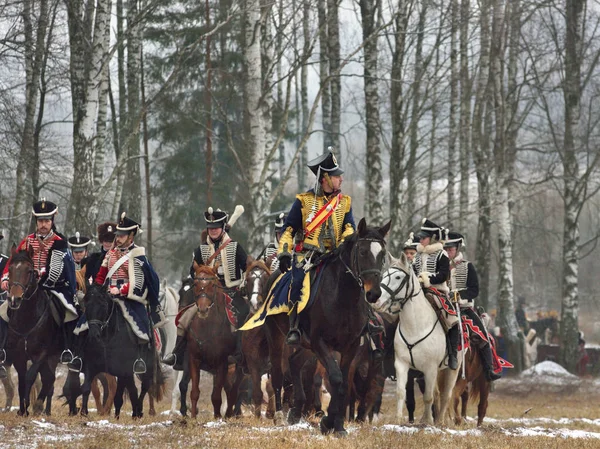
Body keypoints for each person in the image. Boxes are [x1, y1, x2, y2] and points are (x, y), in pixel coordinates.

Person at [277, 149, 357, 346]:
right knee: (297, 283)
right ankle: (295, 326)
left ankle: (366, 324)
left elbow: (349, 228)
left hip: (335, 255)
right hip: (308, 257)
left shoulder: (344, 202)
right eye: (337, 177)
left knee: (358, 279)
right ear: (326, 179)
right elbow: (288, 229)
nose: (341, 180)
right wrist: (284, 253)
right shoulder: (304, 201)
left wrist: (346, 242)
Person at [74, 212, 164, 374]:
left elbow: (137, 282)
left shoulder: (137, 255)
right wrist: (97, 289)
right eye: (118, 235)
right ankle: (79, 356)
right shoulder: (111, 253)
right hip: (107, 296)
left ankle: (140, 359)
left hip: (129, 297)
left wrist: (120, 290)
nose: (119, 238)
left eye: (122, 235)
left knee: (141, 324)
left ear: (131, 236)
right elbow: (101, 275)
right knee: (85, 321)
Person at [163, 207, 251, 369]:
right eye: (210, 228)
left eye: (216, 228)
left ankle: (240, 352)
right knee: (185, 317)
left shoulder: (235, 247)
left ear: (223, 227)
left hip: (231, 290)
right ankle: (178, 353)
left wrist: (244, 282)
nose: (213, 231)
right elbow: (192, 271)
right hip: (207, 291)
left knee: (244, 311)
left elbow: (247, 267)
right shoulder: (201, 250)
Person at [0, 199, 78, 378]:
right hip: (25, 289)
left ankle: (67, 349)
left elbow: (67, 271)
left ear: (52, 222)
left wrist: (70, 291)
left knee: (68, 313)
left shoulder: (59, 242)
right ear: (36, 222)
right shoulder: (27, 241)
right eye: (40, 221)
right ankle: (3, 352)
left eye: (47, 221)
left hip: (53, 288)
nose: (43, 225)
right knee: (3, 312)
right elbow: (12, 265)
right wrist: (5, 279)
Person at [445, 231, 501, 381]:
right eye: (445, 249)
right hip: (443, 308)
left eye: (450, 249)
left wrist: (458, 295)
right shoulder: (440, 266)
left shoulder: (467, 267)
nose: (447, 252)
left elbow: (474, 290)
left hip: (463, 309)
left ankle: (489, 370)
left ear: (457, 249)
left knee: (483, 335)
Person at [412, 218, 460, 370]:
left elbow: (443, 275)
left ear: (432, 238)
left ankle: (452, 354)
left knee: (452, 318)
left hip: (437, 291)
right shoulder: (418, 255)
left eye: (424, 237)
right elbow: (413, 272)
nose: (421, 239)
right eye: (420, 237)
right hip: (418, 291)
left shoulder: (442, 255)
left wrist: (427, 278)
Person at [84, 222, 117, 287]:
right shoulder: (94, 258)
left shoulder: (119, 257)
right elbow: (86, 277)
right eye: (105, 241)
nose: (107, 243)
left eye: (110, 241)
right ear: (102, 241)